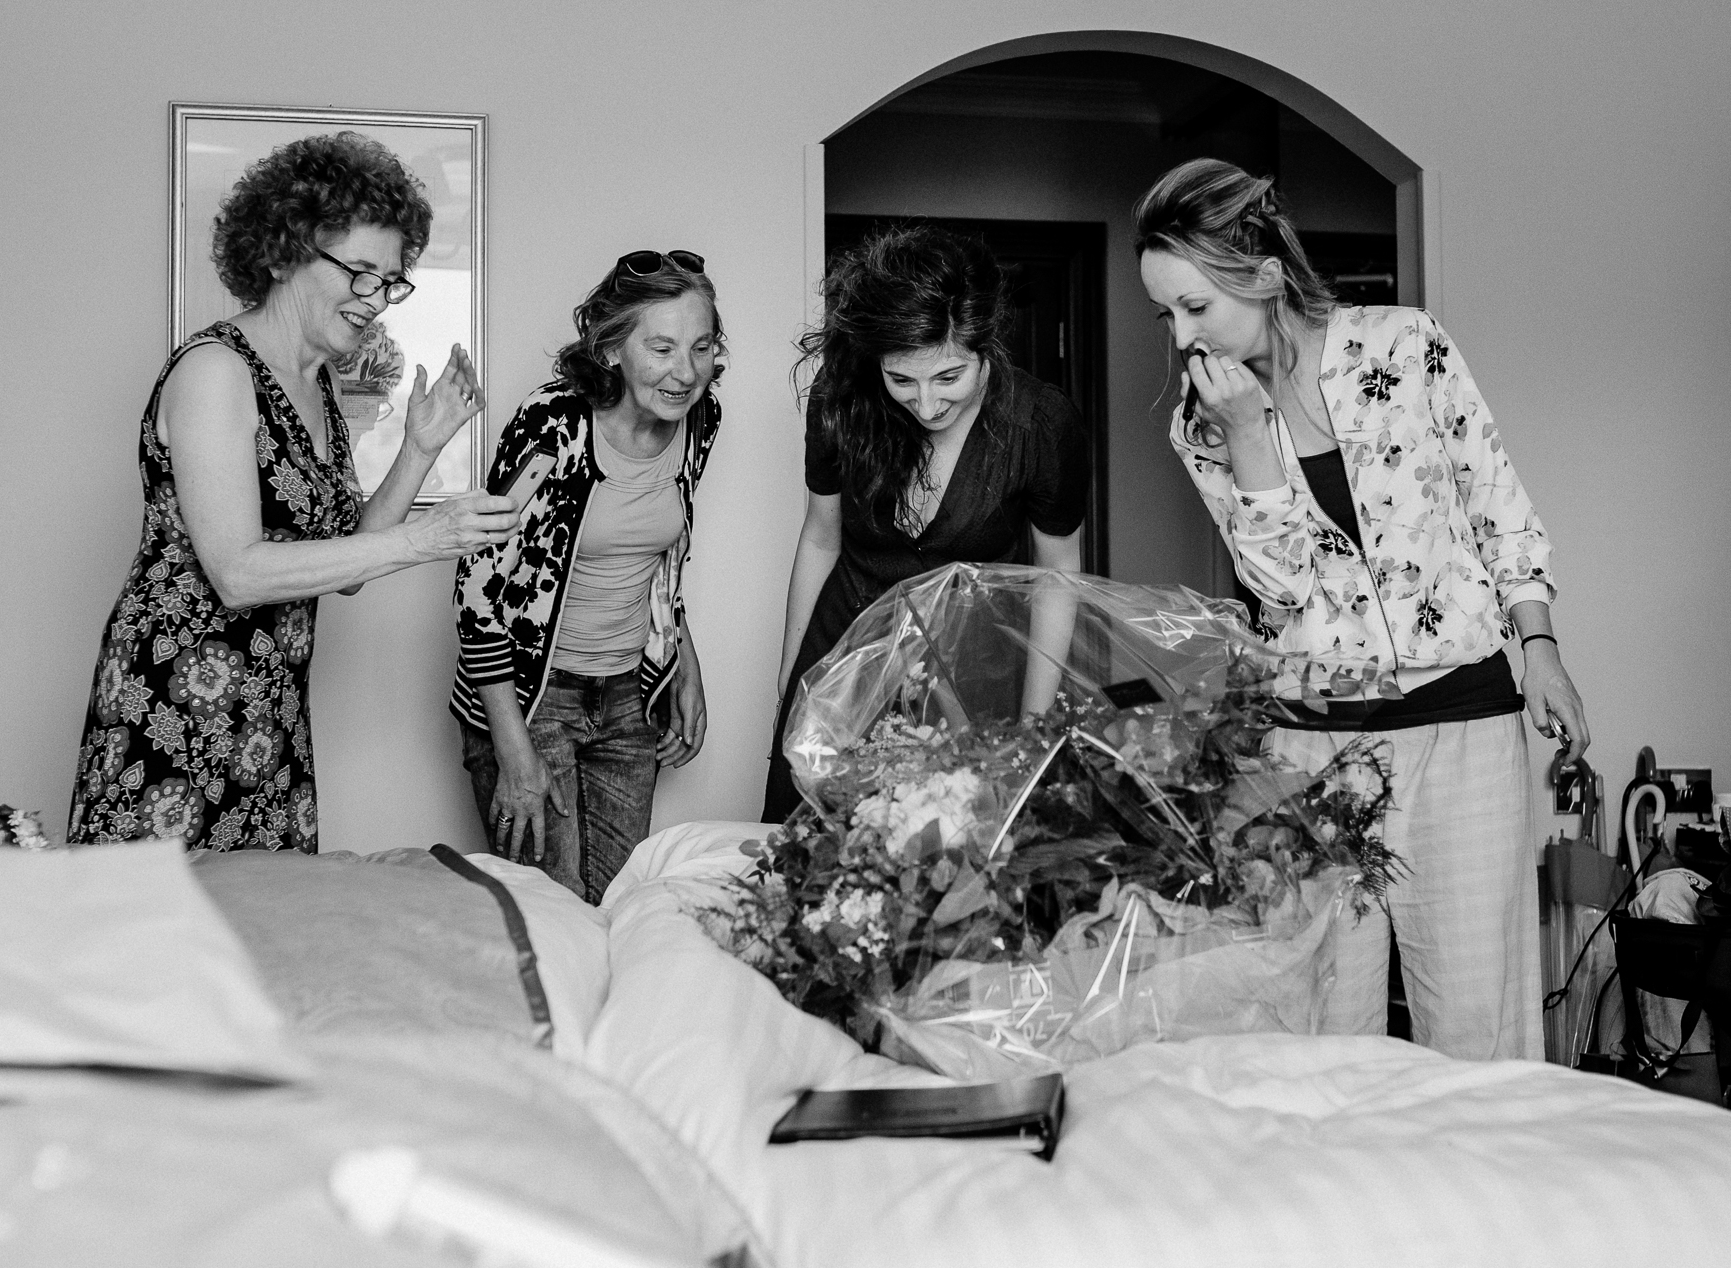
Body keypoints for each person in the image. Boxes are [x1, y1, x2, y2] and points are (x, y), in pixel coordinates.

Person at [1133, 157, 1590, 1060]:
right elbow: (1281, 589)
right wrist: (1251, 441)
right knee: (1321, 1029)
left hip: (1463, 724)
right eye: (1167, 314)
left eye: (1197, 307)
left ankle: (1487, 1199)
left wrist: (1539, 646)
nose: (1183, 338)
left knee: (1478, 1023)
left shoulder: (1402, 345)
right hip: (1312, 753)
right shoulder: (1203, 419)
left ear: (1263, 277)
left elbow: (1496, 502)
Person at [69, 132, 515, 854]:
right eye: (360, 273)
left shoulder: (315, 386)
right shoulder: (216, 371)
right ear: (282, 252)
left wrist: (419, 449)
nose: (376, 299)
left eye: (391, 280)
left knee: (266, 939)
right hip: (171, 709)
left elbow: (347, 565)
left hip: (267, 718)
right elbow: (239, 572)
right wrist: (427, 541)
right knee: (156, 946)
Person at [764, 225, 1089, 822]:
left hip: (969, 666)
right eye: (901, 380)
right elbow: (819, 536)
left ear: (986, 347)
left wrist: (1035, 730)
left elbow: (1057, 577)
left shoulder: (1040, 425)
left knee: (945, 842)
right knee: (812, 841)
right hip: (846, 646)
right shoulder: (841, 400)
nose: (927, 403)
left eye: (948, 377)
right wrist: (794, 678)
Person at [453, 251, 723, 904]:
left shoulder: (699, 422)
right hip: (531, 700)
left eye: (702, 346)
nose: (684, 371)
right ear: (610, 350)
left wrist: (684, 660)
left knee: (617, 908)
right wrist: (513, 753)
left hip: (629, 700)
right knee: (554, 911)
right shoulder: (554, 425)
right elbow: (477, 589)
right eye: (661, 347)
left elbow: (659, 561)